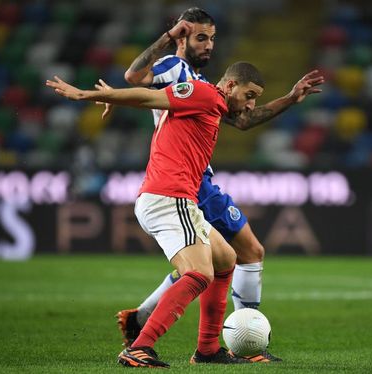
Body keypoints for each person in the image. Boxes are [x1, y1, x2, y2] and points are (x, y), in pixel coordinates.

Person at [105, 7, 324, 363]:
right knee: (240, 255)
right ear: (183, 37)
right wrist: (164, 42)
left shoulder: (203, 84)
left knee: (223, 258)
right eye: (201, 37)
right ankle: (244, 343)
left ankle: (160, 326)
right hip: (185, 179)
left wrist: (289, 98)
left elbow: (242, 120)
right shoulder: (175, 68)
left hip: (194, 177)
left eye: (212, 37)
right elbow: (135, 77)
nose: (209, 45)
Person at [46, 61, 265, 367]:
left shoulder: (209, 105)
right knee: (200, 274)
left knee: (226, 258)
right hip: (169, 196)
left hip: (176, 198)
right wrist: (86, 96)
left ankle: (208, 349)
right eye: (249, 94)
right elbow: (151, 97)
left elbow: (156, 101)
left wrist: (112, 96)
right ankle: (139, 346)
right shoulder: (204, 94)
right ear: (229, 86)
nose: (251, 104)